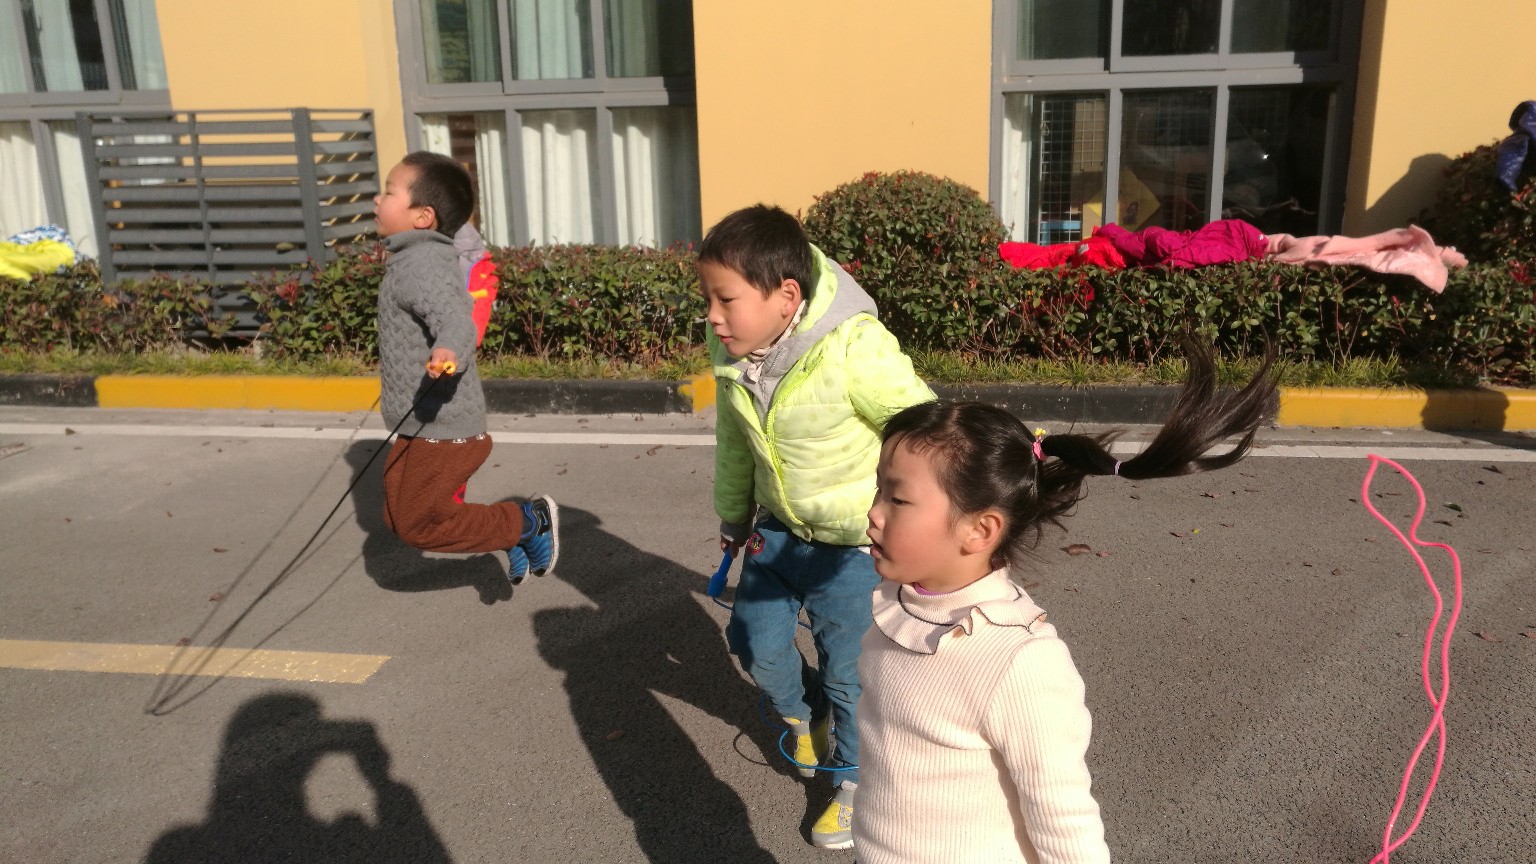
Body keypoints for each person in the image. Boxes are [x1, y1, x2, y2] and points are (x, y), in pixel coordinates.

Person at [856, 342, 1279, 863]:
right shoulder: (896, 607)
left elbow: (1063, 820)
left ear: (979, 530)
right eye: (879, 490)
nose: (874, 512)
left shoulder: (1018, 661)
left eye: (897, 499)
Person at [699, 204, 935, 849]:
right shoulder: (732, 351)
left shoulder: (854, 346)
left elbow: (923, 428)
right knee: (752, 641)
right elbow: (734, 442)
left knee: (849, 672)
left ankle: (857, 782)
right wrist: (733, 516)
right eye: (708, 300)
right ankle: (806, 713)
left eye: (725, 300)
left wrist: (919, 524)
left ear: (786, 296)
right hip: (776, 530)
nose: (712, 316)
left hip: (853, 547)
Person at [372, 151, 557, 584]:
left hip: (443, 426)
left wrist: (447, 351)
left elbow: (457, 321)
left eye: (389, 192)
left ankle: (527, 523)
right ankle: (510, 532)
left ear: (422, 216)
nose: (377, 200)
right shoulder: (411, 257)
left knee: (417, 524)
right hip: (419, 422)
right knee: (398, 517)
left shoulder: (422, 264)